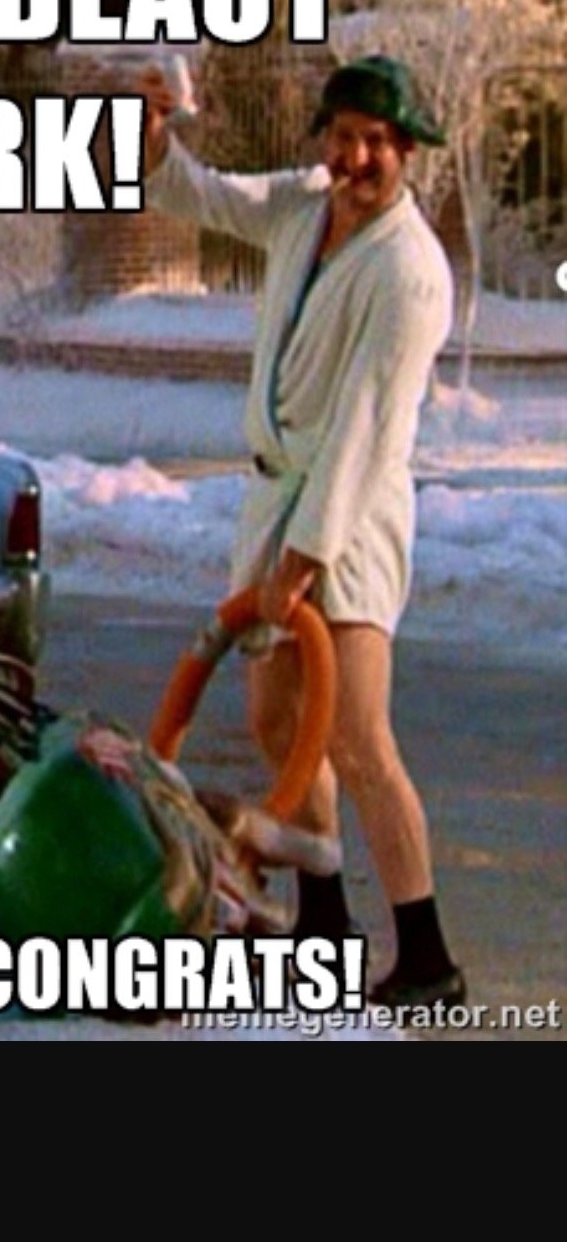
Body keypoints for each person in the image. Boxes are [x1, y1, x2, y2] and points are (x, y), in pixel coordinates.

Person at [139, 53, 465, 1010]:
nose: (356, 159)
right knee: (279, 724)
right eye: (344, 137)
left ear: (406, 152)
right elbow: (202, 196)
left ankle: (428, 956)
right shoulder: (302, 206)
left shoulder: (410, 271)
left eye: (377, 143)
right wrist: (152, 140)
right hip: (274, 499)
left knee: (357, 736)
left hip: (346, 521)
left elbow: (371, 426)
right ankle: (324, 922)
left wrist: (307, 556)